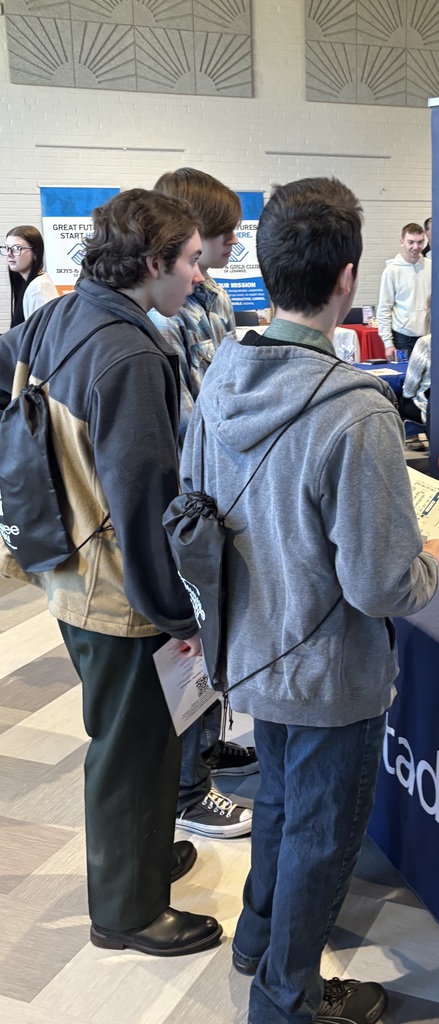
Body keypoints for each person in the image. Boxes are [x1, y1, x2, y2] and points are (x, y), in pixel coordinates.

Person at [180, 176, 439, 1024]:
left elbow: (192, 502)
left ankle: (258, 940)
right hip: (331, 671)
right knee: (321, 840)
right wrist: (431, 558)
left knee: (282, 809)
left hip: (250, 651)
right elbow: (379, 584)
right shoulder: (357, 411)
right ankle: (287, 999)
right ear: (347, 278)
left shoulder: (223, 371)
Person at [0, 189, 223, 956]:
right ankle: (126, 912)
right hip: (117, 587)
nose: (199, 276)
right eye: (192, 260)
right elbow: (145, 502)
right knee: (130, 747)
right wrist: (176, 610)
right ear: (154, 262)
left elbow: (6, 371)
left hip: (67, 565)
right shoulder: (130, 352)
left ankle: (145, 857)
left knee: (150, 736)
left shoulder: (69, 310)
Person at [151, 167, 255, 840]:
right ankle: (190, 790)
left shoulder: (213, 296)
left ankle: (211, 748)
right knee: (192, 639)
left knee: (218, 639)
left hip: (224, 488)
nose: (228, 245)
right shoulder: (165, 314)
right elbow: (189, 416)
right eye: (219, 236)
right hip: (192, 500)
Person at [376, 221, 431, 361]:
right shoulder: (391, 271)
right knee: (405, 380)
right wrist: (388, 344)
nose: (416, 247)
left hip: (427, 336)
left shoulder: (431, 267)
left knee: (427, 381)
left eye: (420, 242)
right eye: (410, 242)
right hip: (402, 337)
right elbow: (384, 309)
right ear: (402, 242)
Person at [4, 224, 58, 327]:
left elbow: (43, 336)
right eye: (7, 248)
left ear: (35, 253)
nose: (9, 254)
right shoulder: (32, 284)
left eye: (17, 248)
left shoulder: (38, 289)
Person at [399, 331, 431, 434]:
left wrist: (407, 394)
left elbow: (413, 378)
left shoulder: (425, 342)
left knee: (399, 399)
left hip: (429, 407)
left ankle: (411, 436)